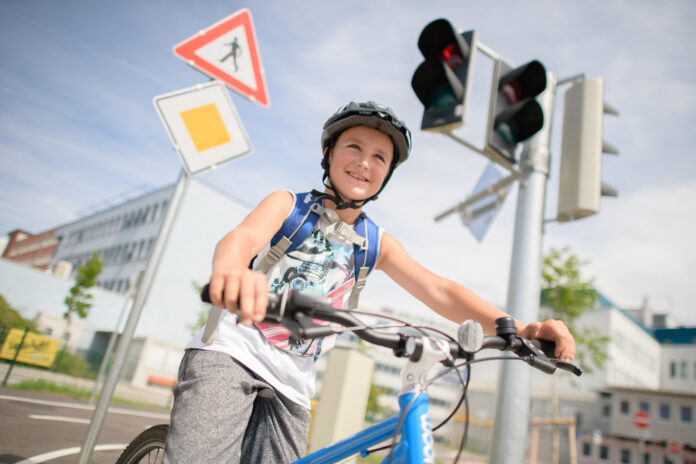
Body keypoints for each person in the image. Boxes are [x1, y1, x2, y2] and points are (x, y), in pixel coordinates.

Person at [163, 101, 576, 463]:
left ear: (387, 174)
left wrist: (520, 328)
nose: (365, 162)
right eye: (354, 147)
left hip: (292, 382)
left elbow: (441, 290)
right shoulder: (289, 207)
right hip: (233, 352)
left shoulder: (376, 244)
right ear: (328, 154)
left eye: (380, 157)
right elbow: (241, 238)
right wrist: (234, 272)